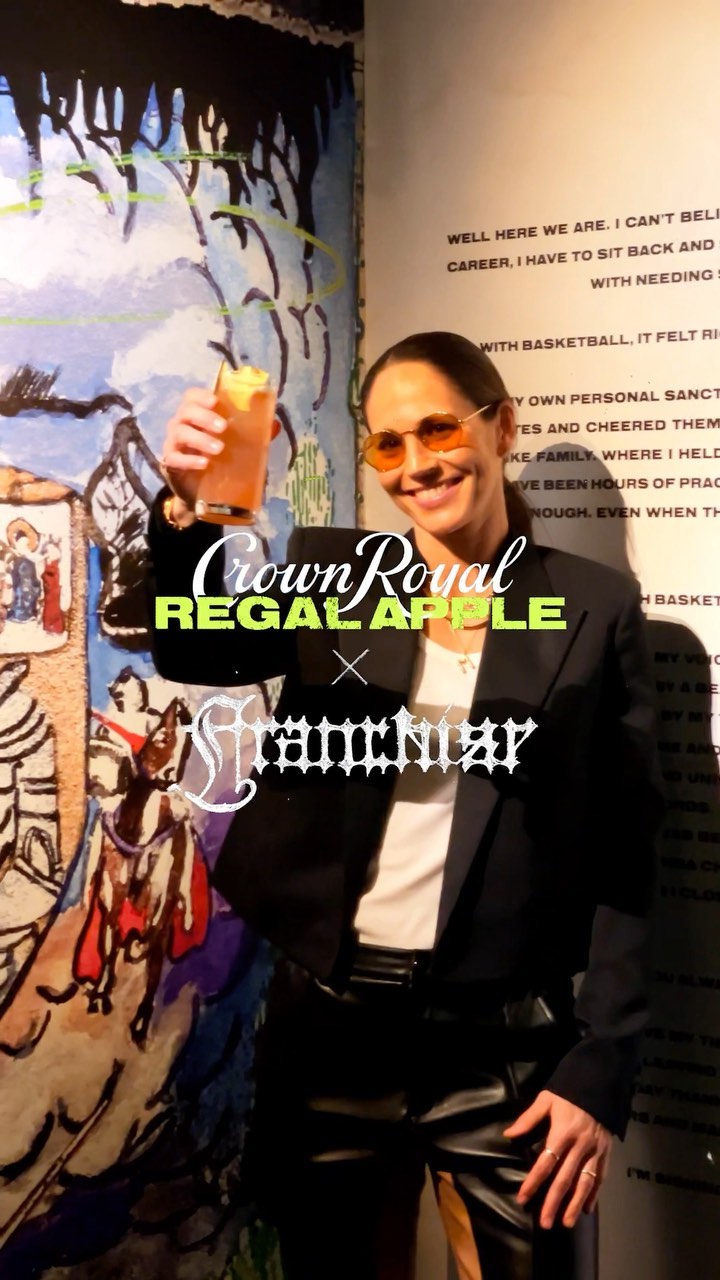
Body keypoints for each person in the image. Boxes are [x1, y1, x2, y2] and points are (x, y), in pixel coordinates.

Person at [145, 332, 664, 1280]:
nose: (416, 464)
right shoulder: (338, 580)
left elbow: (626, 852)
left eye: (439, 430)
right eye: (388, 443)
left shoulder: (594, 607)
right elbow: (194, 646)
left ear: (501, 427)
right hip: (331, 1032)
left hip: (506, 1047)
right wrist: (183, 513)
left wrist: (599, 1067)